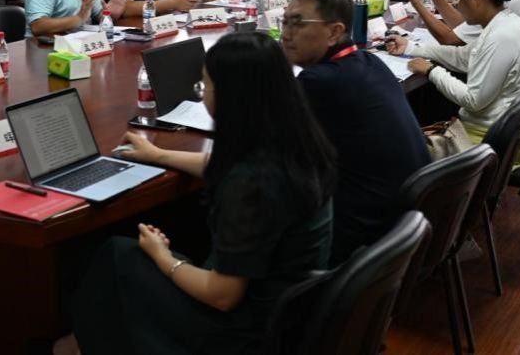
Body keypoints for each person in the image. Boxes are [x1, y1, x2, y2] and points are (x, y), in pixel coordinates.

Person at [59, 32, 336, 355]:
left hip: (241, 334)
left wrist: (162, 257)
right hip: (288, 316)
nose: (202, 94)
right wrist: (159, 155)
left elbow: (222, 296)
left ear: (230, 96)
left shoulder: (251, 184)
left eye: (204, 86)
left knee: (116, 256)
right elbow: (225, 165)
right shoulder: (299, 142)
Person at [281, 0, 430, 264]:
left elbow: (267, 148)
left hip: (364, 235)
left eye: (297, 23)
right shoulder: (368, 61)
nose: (285, 34)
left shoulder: (318, 82)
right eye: (284, 21)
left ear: (334, 32)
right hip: (405, 224)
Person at [387, 0, 520, 167]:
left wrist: (431, 70)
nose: (456, 9)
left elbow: (473, 100)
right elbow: (466, 56)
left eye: (457, 2)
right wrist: (412, 47)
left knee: (403, 149)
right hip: (511, 133)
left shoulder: (502, 36)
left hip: (507, 144)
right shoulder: (504, 22)